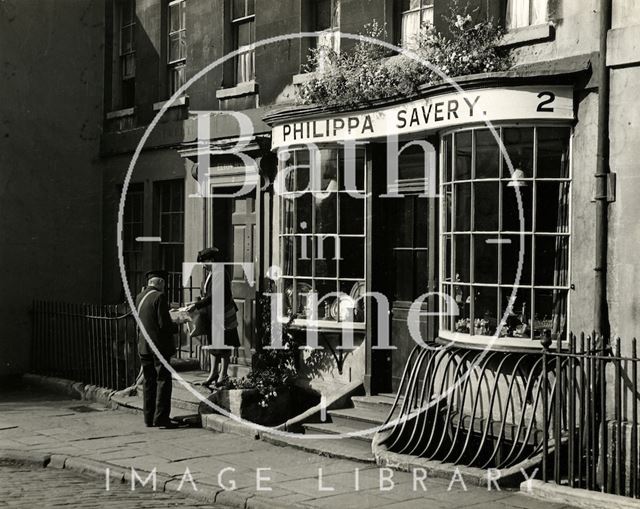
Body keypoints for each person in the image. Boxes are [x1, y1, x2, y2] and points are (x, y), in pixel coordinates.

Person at [188, 247, 240, 388]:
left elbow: (215, 296)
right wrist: (197, 303)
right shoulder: (212, 273)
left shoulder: (220, 273)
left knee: (224, 345)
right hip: (213, 314)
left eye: (204, 262)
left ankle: (222, 375)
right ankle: (213, 373)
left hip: (223, 314)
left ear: (211, 260)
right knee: (213, 344)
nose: (203, 266)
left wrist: (197, 305)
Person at [135, 270, 178, 428]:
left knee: (149, 382)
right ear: (160, 282)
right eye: (164, 284)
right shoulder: (159, 297)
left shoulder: (140, 297)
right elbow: (163, 325)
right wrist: (177, 324)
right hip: (158, 346)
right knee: (163, 381)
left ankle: (148, 418)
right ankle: (161, 418)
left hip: (144, 346)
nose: (165, 287)